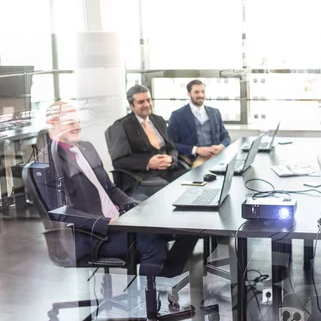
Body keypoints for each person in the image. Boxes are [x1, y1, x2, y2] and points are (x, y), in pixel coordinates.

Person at [45, 101, 197, 277]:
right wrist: (106, 223)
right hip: (92, 235)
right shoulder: (50, 160)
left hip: (118, 221)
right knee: (153, 243)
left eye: (78, 122)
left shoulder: (86, 147)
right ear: (53, 123)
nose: (78, 127)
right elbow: (62, 212)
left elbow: (110, 189)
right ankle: (148, 299)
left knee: (186, 229)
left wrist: (136, 207)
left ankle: (165, 280)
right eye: (71, 122)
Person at [107, 84, 186, 191]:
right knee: (171, 190)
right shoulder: (122, 126)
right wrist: (147, 163)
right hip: (143, 176)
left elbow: (171, 148)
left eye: (148, 100)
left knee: (195, 181)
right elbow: (118, 161)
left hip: (169, 171)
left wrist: (171, 159)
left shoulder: (159, 120)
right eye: (141, 102)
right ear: (131, 106)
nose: (147, 104)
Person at [168, 79, 231, 168]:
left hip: (217, 156)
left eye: (203, 92)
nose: (201, 95)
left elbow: (226, 136)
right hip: (195, 159)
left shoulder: (215, 112)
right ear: (189, 93)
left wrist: (221, 146)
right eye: (196, 92)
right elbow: (172, 143)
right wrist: (196, 150)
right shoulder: (177, 115)